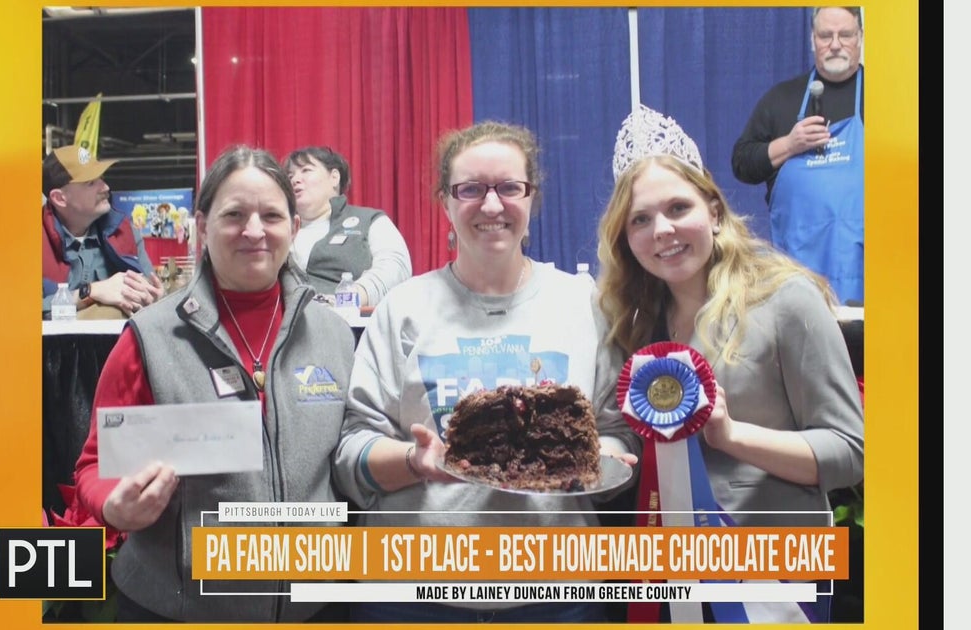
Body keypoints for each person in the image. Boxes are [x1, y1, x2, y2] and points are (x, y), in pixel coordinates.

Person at [332, 121, 641, 623]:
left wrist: (597, 456)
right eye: (471, 189)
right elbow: (352, 453)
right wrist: (415, 460)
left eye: (508, 188)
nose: (491, 205)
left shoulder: (583, 304)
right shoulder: (403, 308)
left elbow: (618, 435)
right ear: (446, 202)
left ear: (531, 197)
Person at [599, 105, 864, 622]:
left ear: (714, 211)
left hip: (772, 578)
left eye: (679, 208)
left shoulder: (786, 298)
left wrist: (729, 434)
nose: (662, 230)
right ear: (626, 238)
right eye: (641, 219)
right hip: (671, 573)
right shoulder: (636, 323)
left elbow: (848, 452)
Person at [72, 146, 356, 623]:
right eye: (234, 215)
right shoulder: (152, 336)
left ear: (295, 227)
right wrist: (114, 507)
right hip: (178, 607)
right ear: (202, 225)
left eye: (271, 215)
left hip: (315, 608)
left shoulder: (334, 336)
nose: (253, 231)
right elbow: (95, 464)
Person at [731, 6, 865, 305]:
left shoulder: (885, 94)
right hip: (797, 274)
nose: (835, 44)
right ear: (812, 40)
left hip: (872, 272)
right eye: (825, 35)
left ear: (860, 38)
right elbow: (742, 163)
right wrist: (790, 145)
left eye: (845, 35)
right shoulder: (782, 99)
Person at [41, 145, 164, 318]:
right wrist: (90, 292)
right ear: (59, 198)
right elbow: (15, 310)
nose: (105, 187)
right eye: (90, 183)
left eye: (102, 178)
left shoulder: (125, 232)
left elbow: (151, 292)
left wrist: (155, 297)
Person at [286, 145, 412, 306]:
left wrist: (348, 298)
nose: (295, 179)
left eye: (306, 170)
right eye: (290, 175)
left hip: (350, 323)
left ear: (334, 177)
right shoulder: (279, 229)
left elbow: (396, 267)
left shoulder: (369, 220)